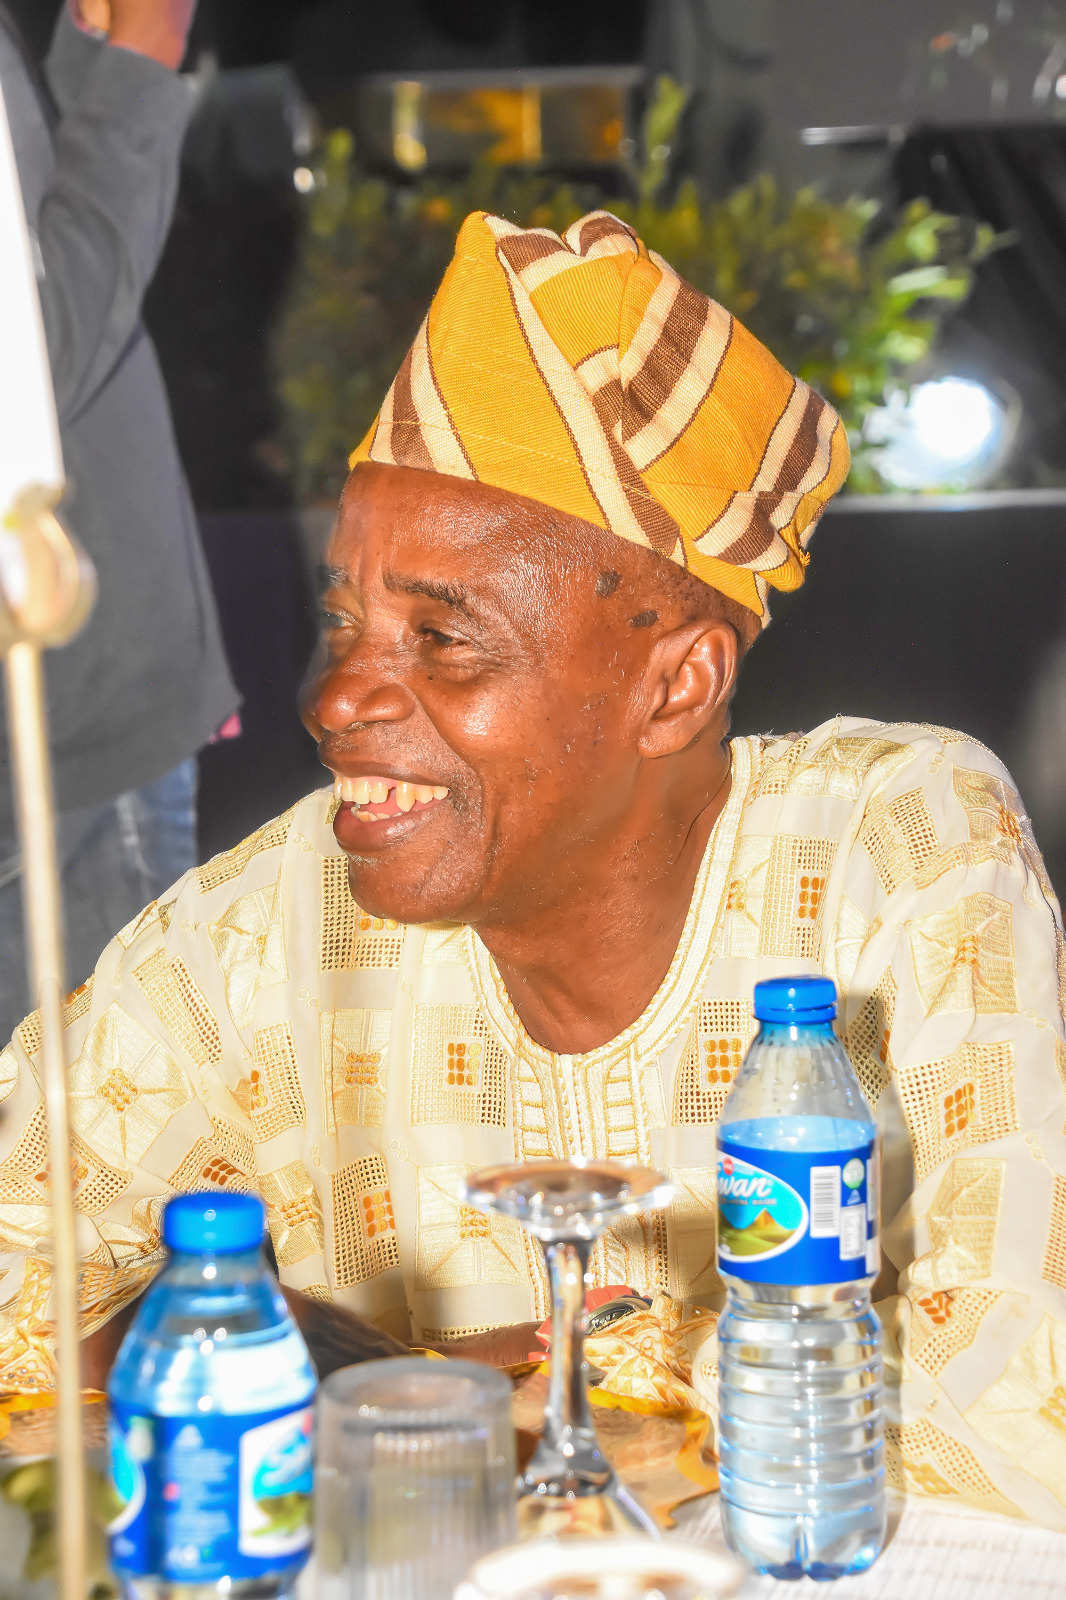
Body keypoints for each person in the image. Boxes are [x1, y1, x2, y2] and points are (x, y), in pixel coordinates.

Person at [1, 209, 1064, 1527]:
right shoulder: (282, 917)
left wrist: (581, 1368)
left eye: (443, 640)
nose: (335, 698)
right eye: (344, 623)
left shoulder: (890, 843)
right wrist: (317, 1360)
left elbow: (1022, 1400)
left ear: (674, 686)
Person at [0, 0, 237, 1038]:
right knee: (121, 1125)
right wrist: (143, 61)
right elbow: (25, 370)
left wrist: (91, 52)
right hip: (62, 729)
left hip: (70, 712)